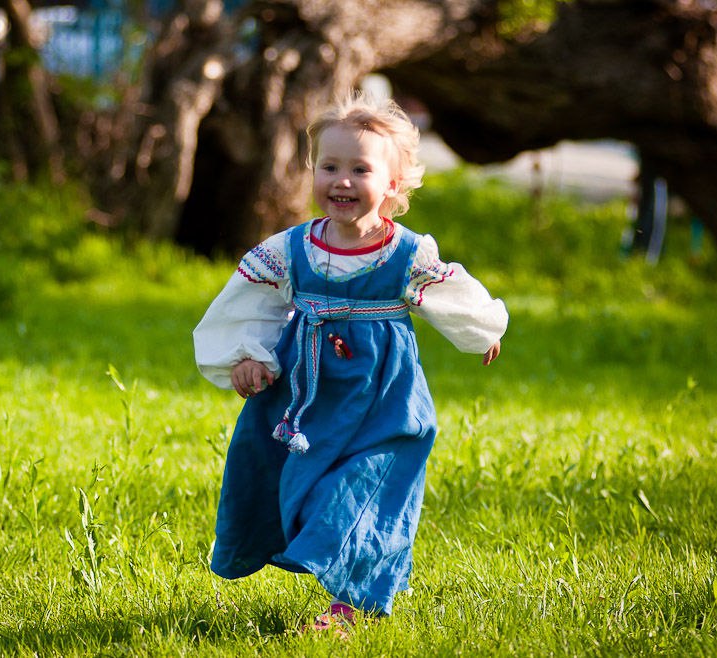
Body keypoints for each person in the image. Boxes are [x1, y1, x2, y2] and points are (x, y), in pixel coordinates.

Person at [192, 92, 508, 633]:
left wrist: (478, 330)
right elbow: (251, 303)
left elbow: (450, 291)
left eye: (359, 169)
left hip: (381, 399)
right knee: (300, 485)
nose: (341, 180)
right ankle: (331, 577)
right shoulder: (292, 249)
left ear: (392, 184)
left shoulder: (406, 255)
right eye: (329, 166)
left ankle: (349, 609)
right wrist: (247, 355)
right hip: (305, 396)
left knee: (363, 489)